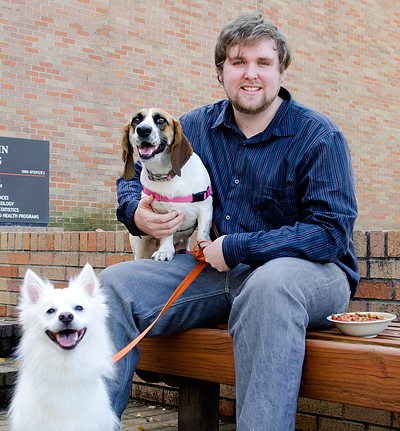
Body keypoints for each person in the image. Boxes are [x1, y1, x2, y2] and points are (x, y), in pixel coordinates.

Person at [100, 11, 359, 431]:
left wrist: (239, 247)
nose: (250, 74)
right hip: (211, 269)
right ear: (220, 71)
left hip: (311, 273)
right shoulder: (196, 127)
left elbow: (329, 233)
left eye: (263, 63)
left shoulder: (318, 136)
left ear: (281, 70)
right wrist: (136, 211)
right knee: (112, 286)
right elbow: (133, 172)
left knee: (268, 289)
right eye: (238, 62)